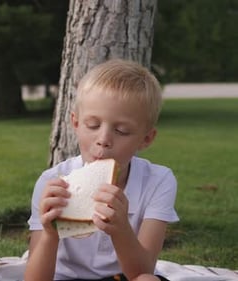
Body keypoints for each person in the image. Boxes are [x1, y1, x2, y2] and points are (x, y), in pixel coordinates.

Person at [24, 59, 179, 281]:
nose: (103, 140)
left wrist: (121, 228)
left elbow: (142, 270)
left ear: (146, 139)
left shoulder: (158, 180)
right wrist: (50, 233)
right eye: (93, 125)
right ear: (76, 124)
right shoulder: (53, 182)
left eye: (122, 131)